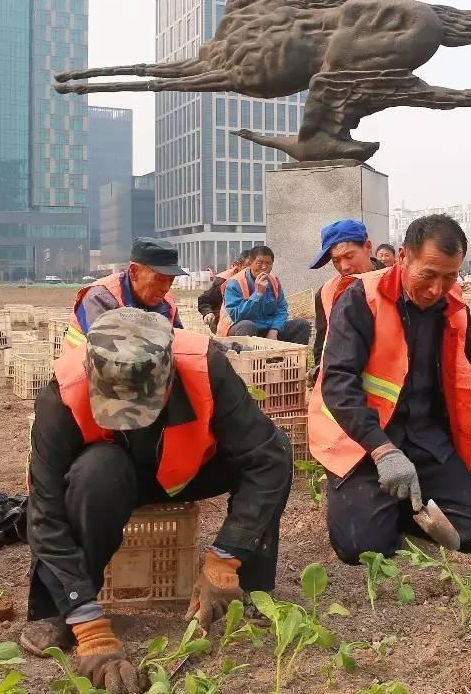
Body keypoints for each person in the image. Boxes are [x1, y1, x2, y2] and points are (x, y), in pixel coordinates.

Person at [21, 309, 292, 689]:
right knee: (93, 473)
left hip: (191, 467)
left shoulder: (204, 366)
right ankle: (63, 611)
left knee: (275, 447)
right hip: (115, 476)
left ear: (169, 377)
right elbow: (45, 513)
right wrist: (86, 619)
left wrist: (226, 555)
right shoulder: (62, 393)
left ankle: (242, 587)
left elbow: (266, 458)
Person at [310, 214, 471, 563]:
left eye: (449, 276)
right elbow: (339, 383)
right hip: (363, 442)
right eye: (428, 275)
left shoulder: (454, 309)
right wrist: (382, 450)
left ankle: (400, 505)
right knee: (364, 548)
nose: (437, 288)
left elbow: (469, 373)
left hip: (424, 438)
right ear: (403, 257)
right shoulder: (361, 298)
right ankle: (380, 502)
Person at [65, 238, 185, 350]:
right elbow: (109, 354)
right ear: (133, 272)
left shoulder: (167, 303)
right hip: (84, 369)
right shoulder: (99, 297)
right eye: (159, 279)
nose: (165, 288)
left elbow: (179, 345)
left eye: (171, 280)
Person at [309, 219, 385, 365]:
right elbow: (322, 346)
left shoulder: (393, 283)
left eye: (350, 256)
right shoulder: (326, 292)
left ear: (367, 247)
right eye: (336, 260)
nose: (344, 267)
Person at [217, 246, 311, 344]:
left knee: (302, 324)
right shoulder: (235, 283)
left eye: (268, 263)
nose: (264, 267)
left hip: (267, 329)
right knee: (247, 325)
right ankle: (248, 358)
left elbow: (281, 309)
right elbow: (236, 316)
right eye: (259, 263)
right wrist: (257, 294)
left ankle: (293, 358)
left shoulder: (273, 281)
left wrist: (274, 330)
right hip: (239, 330)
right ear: (250, 263)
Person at [199, 250, 251, 332]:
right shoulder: (224, 280)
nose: (250, 272)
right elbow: (205, 300)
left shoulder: (263, 281)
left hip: (250, 318)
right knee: (247, 326)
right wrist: (208, 312)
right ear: (238, 265)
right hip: (224, 320)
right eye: (246, 268)